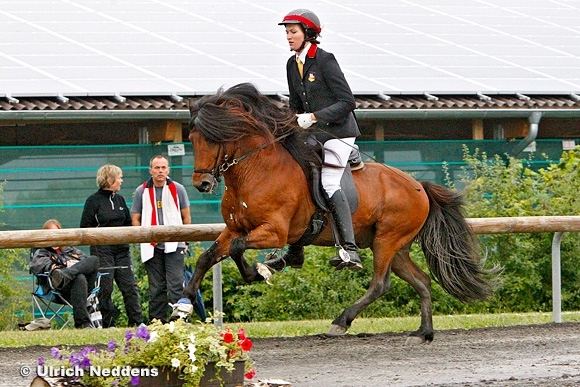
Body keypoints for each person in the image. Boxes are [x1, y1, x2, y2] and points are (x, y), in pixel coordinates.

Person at [279, 9, 363, 271]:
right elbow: (294, 104)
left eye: (293, 32)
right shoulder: (292, 64)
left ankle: (349, 249)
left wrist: (314, 116)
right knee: (294, 173)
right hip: (312, 132)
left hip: (339, 131)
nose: (289, 37)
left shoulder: (325, 60)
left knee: (328, 180)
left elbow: (348, 101)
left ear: (308, 34)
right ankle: (294, 250)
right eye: (287, 32)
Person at [80, 164, 144, 328]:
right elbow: (85, 226)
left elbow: (128, 224)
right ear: (109, 179)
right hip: (102, 250)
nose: (121, 180)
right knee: (105, 287)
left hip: (122, 250)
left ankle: (137, 322)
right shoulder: (93, 201)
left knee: (129, 286)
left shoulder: (120, 199)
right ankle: (108, 324)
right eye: (119, 177)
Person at [131, 155, 192, 323]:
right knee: (156, 286)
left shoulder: (178, 189)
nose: (160, 171)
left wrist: (185, 241)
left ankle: (179, 321)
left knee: (176, 284)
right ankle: (157, 322)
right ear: (150, 170)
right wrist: (142, 239)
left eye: (163, 167)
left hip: (175, 244)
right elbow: (135, 218)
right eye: (157, 168)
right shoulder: (141, 191)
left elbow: (186, 217)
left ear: (168, 170)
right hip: (152, 246)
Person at [29, 219, 99, 329]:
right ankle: (82, 324)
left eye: (57, 235)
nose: (55, 238)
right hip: (59, 289)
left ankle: (65, 275)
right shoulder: (41, 252)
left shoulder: (71, 250)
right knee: (79, 278)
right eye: (51, 235)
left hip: (85, 287)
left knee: (94, 259)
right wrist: (63, 264)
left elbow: (86, 262)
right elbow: (36, 265)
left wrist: (71, 266)